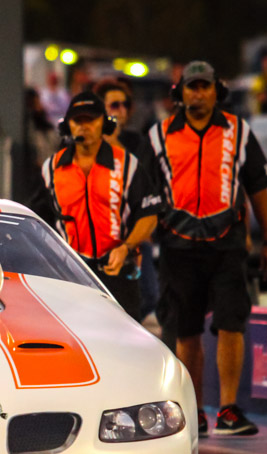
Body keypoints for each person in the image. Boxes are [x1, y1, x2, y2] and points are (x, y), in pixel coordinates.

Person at [146, 61, 267, 437]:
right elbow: (146, 194)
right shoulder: (158, 135)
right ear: (180, 93)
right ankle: (194, 412)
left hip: (228, 244)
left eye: (205, 86)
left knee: (230, 324)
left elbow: (259, 188)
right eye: (192, 87)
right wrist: (143, 237)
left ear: (216, 91)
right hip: (177, 246)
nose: (198, 93)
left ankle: (229, 410)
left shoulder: (239, 132)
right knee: (185, 330)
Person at [29, 92, 161, 322]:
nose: (84, 126)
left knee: (120, 340)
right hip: (68, 278)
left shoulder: (127, 165)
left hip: (118, 273)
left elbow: (149, 215)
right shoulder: (51, 168)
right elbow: (37, 221)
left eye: (91, 119)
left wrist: (126, 248)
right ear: (67, 125)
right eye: (78, 120)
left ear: (104, 123)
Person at [94, 78, 159, 321]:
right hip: (99, 236)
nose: (120, 110)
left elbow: (149, 184)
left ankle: (127, 329)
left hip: (135, 235)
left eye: (124, 105)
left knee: (149, 295)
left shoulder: (136, 141)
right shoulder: (89, 143)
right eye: (114, 105)